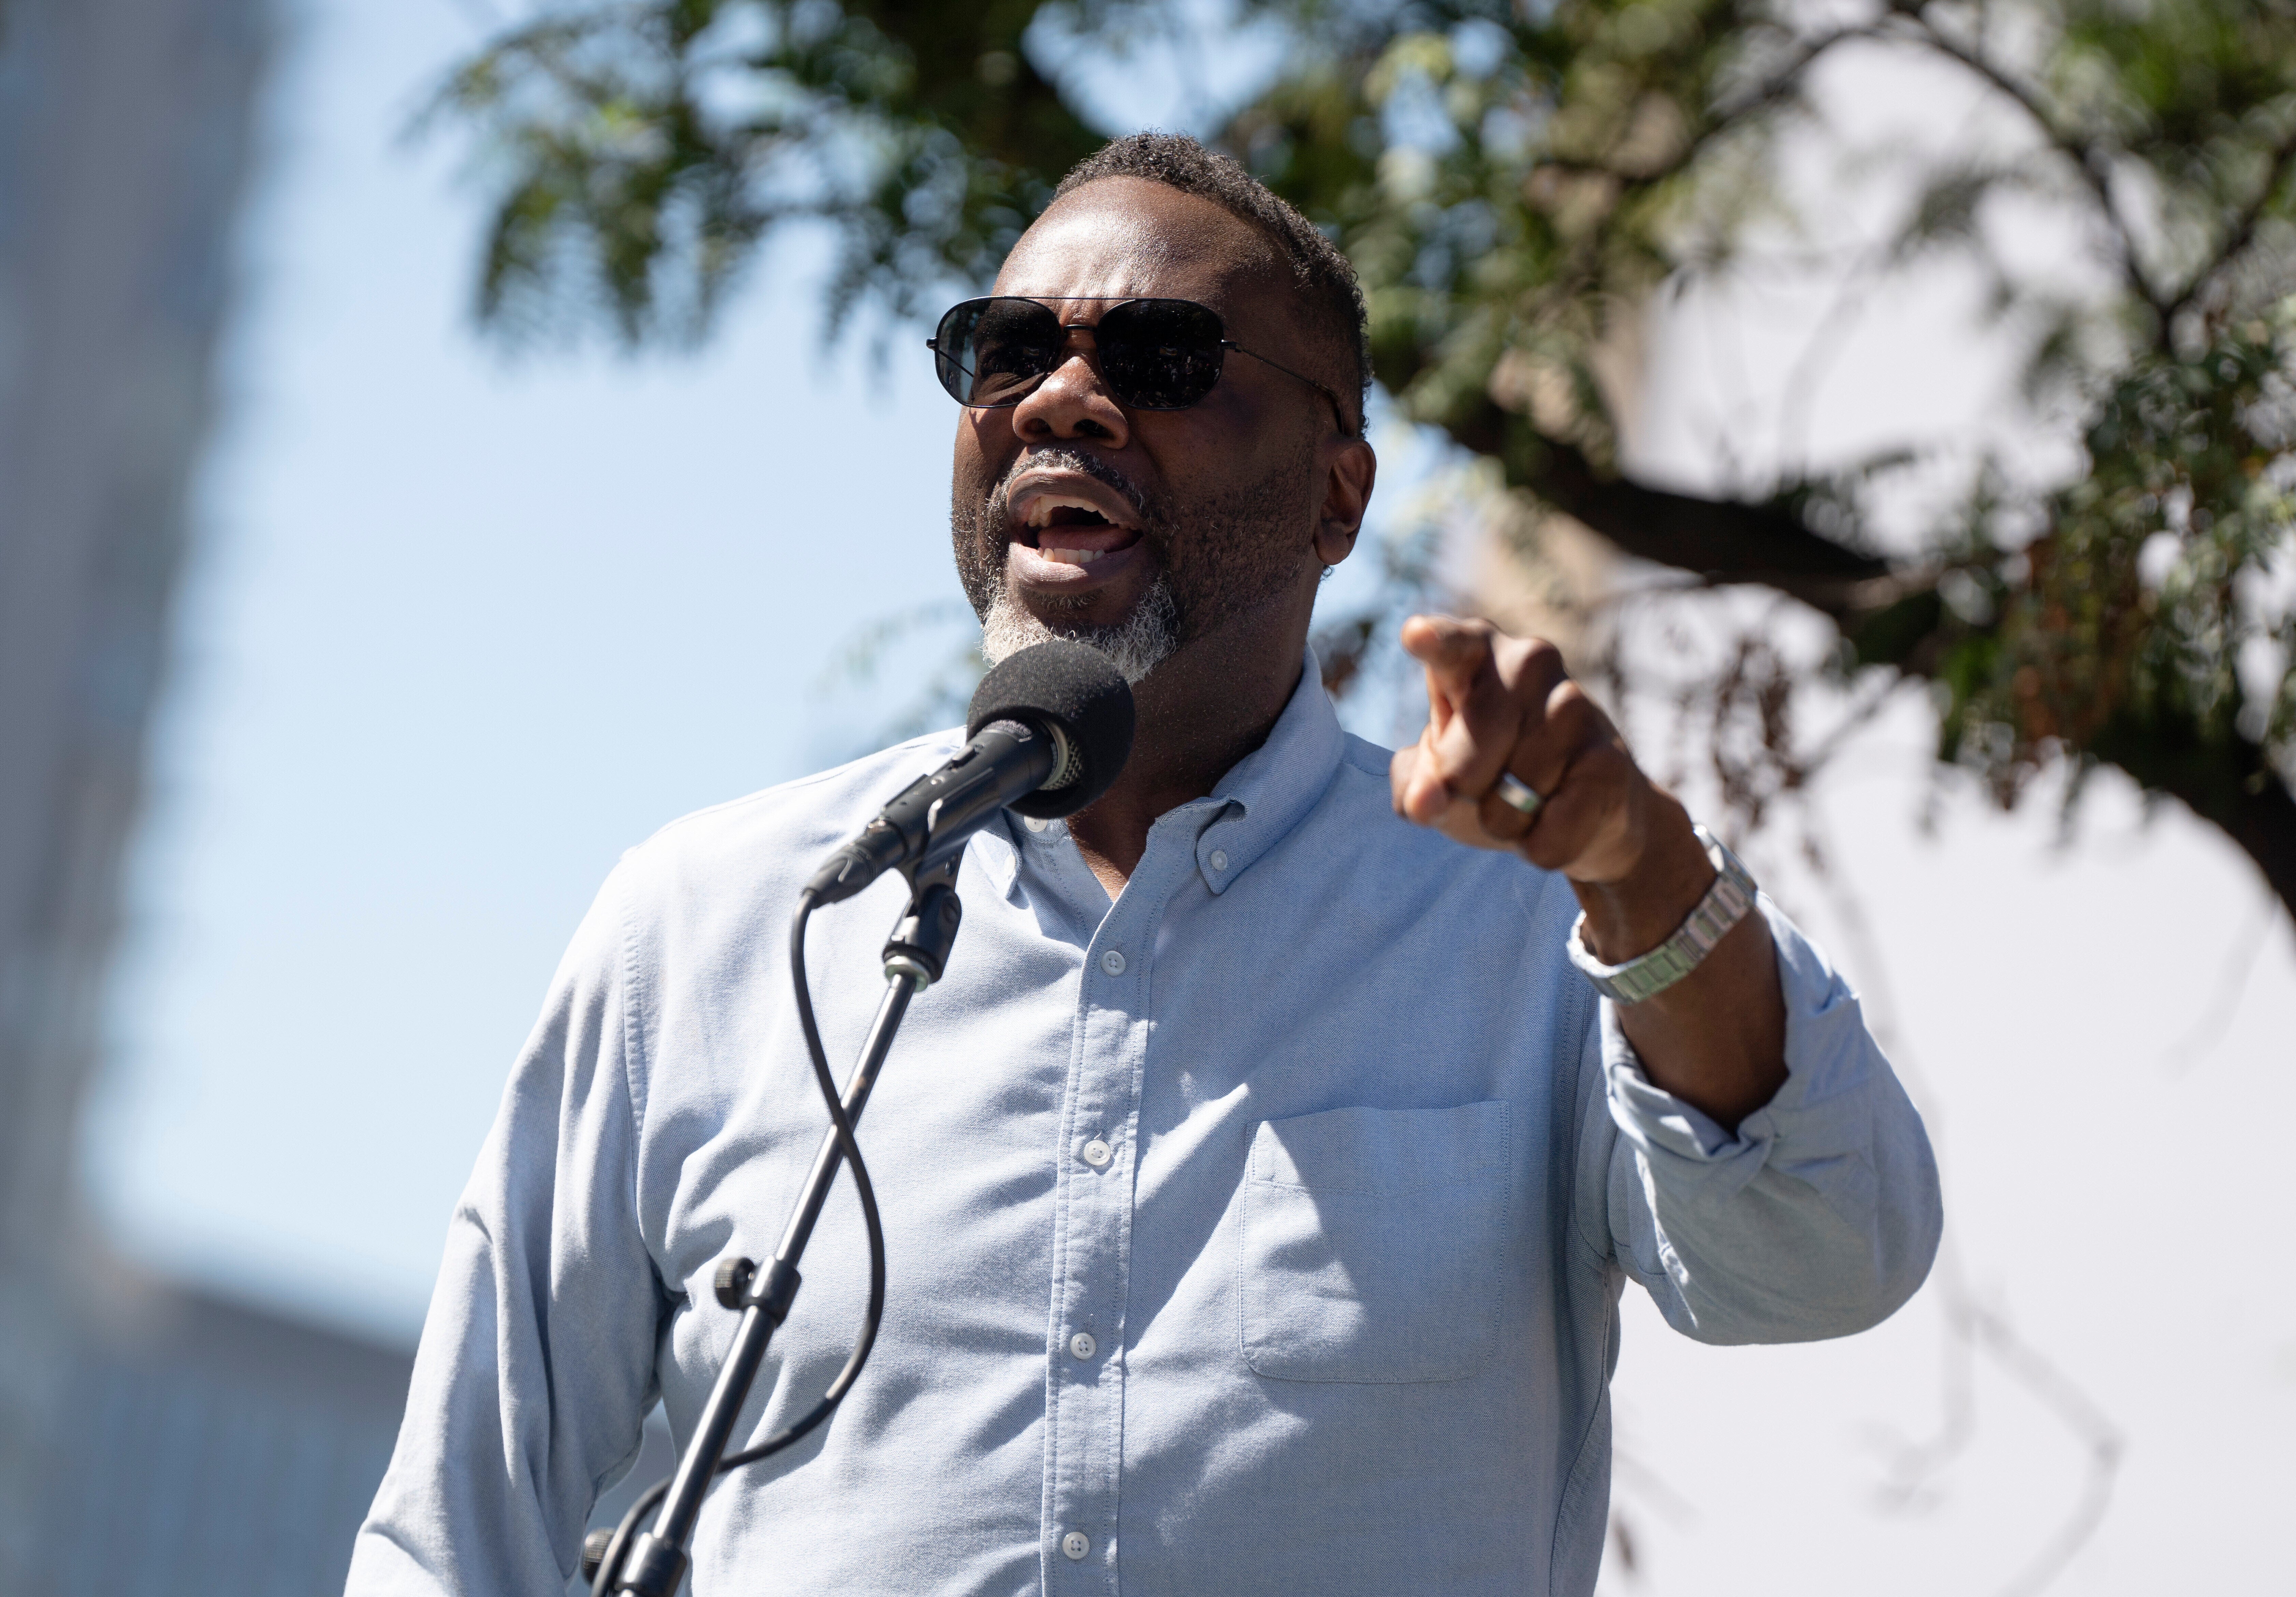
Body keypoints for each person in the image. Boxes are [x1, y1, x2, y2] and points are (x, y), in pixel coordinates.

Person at [347, 132, 1939, 1596]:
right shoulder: (718, 928)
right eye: (1011, 348)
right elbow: (456, 1540)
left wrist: (1644, 869)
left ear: (1340, 492)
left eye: (1163, 357)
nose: (1062, 397)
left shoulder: (1529, 919)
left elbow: (1822, 1254)